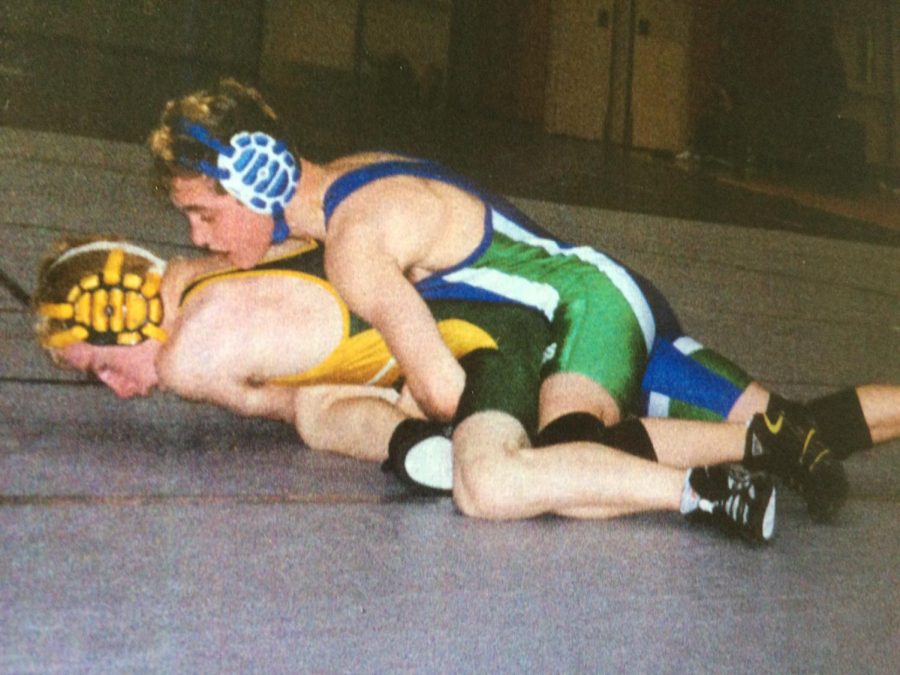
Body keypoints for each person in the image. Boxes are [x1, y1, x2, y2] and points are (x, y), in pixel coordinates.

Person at [147, 78, 865, 521]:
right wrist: (191, 269)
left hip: (583, 314)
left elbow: (442, 389)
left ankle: (753, 453)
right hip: (596, 299)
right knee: (810, 425)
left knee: (569, 457)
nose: (197, 233)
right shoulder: (355, 178)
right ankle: (774, 440)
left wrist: (394, 405)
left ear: (253, 180)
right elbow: (288, 246)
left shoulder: (356, 246)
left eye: (203, 214)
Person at [33, 240, 900, 542]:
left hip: (547, 323)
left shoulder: (195, 350)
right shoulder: (226, 277)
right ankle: (759, 450)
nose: (115, 389)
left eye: (100, 364)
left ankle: (715, 486)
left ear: (121, 318)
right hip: (562, 308)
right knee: (802, 426)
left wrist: (411, 423)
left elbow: (305, 396)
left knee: (533, 470)